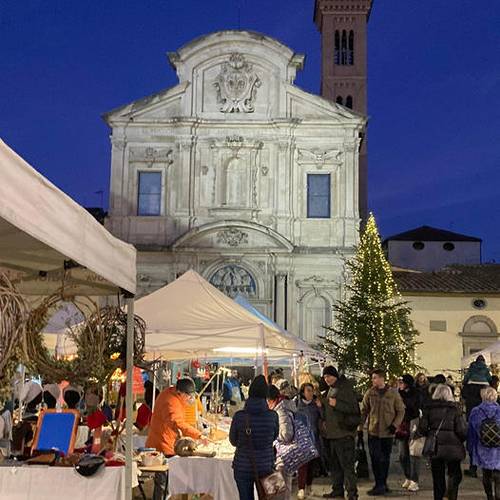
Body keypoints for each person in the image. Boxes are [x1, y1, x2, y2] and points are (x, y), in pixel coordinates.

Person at [146, 378, 203, 500]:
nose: (190, 399)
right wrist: (198, 435)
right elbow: (177, 422)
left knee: (165, 480)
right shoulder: (170, 401)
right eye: (188, 396)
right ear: (180, 393)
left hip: (166, 441)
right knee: (162, 480)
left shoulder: (173, 394)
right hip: (162, 444)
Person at [229, 375, 279, 500]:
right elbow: (274, 437)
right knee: (267, 497)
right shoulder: (273, 416)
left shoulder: (239, 416)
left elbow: (233, 441)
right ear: (265, 394)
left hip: (242, 466)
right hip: (265, 466)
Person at [417, 384, 467, 500]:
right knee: (454, 474)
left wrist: (430, 434)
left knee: (438, 477)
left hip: (436, 447)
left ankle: (438, 497)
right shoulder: (455, 409)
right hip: (453, 447)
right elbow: (461, 430)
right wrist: (460, 440)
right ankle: (452, 496)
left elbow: (423, 428)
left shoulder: (429, 409)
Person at [361, 369, 405, 496]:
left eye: (375, 377)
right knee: (375, 458)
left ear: (381, 378)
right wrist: (360, 427)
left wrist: (395, 425)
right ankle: (378, 484)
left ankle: (383, 484)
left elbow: (401, 410)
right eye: (372, 378)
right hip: (373, 431)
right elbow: (364, 410)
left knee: (385, 459)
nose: (372, 380)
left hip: (387, 432)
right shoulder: (370, 393)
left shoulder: (393, 393)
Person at [321, 366, 360, 500]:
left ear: (335, 376)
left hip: (344, 434)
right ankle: (337, 490)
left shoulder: (344, 388)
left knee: (347, 466)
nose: (327, 379)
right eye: (325, 377)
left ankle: (352, 494)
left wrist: (336, 403)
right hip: (332, 435)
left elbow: (353, 408)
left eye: (329, 376)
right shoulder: (331, 389)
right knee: (335, 466)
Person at [467, 386, 500, 500]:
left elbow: (471, 432)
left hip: (482, 447)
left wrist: (470, 448)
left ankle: (489, 496)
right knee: (498, 475)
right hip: (498, 449)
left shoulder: (476, 411)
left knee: (486, 474)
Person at [463, 356, 492, 477]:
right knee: (485, 439)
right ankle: (488, 469)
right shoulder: (485, 369)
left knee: (473, 439)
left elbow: (465, 381)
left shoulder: (471, 368)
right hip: (484, 406)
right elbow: (490, 380)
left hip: (471, 403)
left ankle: (473, 468)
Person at [268, 382, 296, 500]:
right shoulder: (283, 406)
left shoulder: (281, 411)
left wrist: (271, 435)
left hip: (284, 456)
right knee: (282, 491)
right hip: (284, 455)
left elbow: (286, 435)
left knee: (282, 492)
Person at [296, 382, 322, 499]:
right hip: (301, 438)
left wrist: (320, 407)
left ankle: (309, 486)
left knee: (311, 464)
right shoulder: (297, 404)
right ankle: (301, 488)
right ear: (303, 392)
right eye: (308, 390)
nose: (311, 393)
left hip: (314, 438)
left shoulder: (315, 404)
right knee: (302, 464)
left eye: (312, 391)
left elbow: (322, 417)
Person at [397, 375, 421, 492]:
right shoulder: (398, 393)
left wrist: (404, 404)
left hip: (413, 424)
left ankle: (414, 480)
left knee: (413, 454)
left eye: (402, 382)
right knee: (402, 455)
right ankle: (408, 476)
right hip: (402, 425)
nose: (400, 384)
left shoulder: (416, 393)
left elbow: (415, 408)